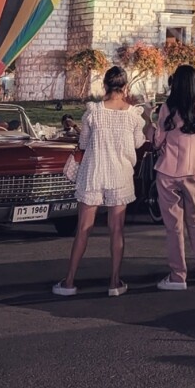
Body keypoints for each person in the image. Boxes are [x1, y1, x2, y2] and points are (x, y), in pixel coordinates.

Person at [53, 65, 146, 298]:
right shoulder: (133, 115)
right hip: (120, 175)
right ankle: (114, 282)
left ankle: (69, 282)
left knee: (83, 230)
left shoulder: (93, 112)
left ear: (105, 86)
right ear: (125, 88)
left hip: (93, 173)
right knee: (117, 230)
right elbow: (138, 143)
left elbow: (83, 144)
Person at [153, 64, 195, 290]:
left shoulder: (167, 108)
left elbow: (158, 141)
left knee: (174, 225)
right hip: (194, 168)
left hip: (168, 170)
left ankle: (178, 275)